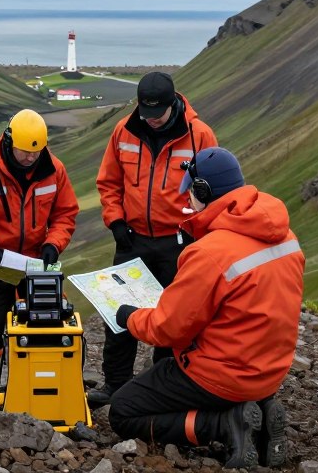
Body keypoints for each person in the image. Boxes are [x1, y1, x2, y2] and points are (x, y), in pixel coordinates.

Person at [109, 147, 305, 470]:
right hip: (270, 372)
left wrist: (128, 316)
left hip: (221, 376)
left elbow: (166, 329)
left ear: (204, 193)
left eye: (191, 192)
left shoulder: (210, 252)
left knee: (123, 411)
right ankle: (261, 413)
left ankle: (224, 425)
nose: (188, 199)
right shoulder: (286, 235)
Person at [90, 71, 218, 406]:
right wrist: (116, 222)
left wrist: (194, 233)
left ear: (172, 102)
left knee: (173, 318)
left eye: (158, 115)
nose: (152, 121)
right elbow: (109, 182)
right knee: (119, 312)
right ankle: (115, 385)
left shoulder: (199, 136)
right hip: (132, 241)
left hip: (177, 244)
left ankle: (163, 386)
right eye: (146, 114)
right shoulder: (124, 131)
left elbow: (210, 191)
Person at [0, 109, 79, 403]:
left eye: (35, 152)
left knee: (45, 327)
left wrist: (53, 245)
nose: (30, 158)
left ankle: (36, 397)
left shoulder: (55, 169)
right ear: (9, 140)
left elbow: (65, 214)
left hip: (37, 266)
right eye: (24, 152)